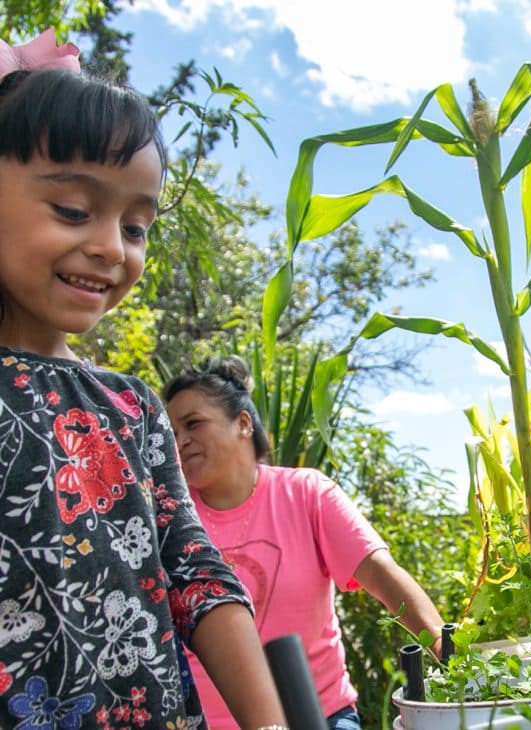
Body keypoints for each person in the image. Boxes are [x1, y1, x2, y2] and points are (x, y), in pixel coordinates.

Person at [0, 30, 288, 730]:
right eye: (73, 210)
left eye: (136, 225)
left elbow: (193, 571)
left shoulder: (131, 407)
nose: (110, 247)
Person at [164, 356, 446, 730]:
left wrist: (449, 655)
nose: (180, 440)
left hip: (319, 717)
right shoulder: (168, 521)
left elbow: (381, 575)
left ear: (243, 423)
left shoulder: (306, 494)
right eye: (171, 431)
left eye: (193, 424)